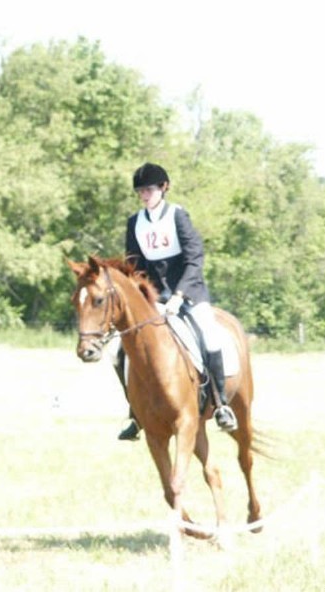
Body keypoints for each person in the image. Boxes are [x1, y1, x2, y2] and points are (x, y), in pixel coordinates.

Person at [117, 162, 237, 441]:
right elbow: (133, 264)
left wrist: (180, 295)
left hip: (189, 293)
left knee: (210, 335)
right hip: (154, 297)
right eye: (140, 192)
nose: (144, 196)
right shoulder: (135, 222)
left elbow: (195, 258)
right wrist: (141, 295)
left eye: (148, 190)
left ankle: (221, 405)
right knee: (119, 348)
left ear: (163, 188)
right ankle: (135, 413)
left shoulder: (177, 216)